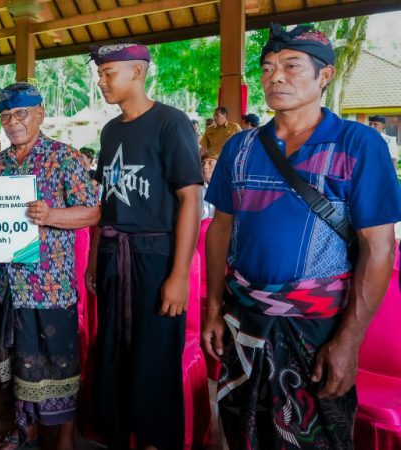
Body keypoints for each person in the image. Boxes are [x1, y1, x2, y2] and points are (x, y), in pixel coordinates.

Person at [202, 23, 401, 449]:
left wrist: (348, 341)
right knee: (242, 433)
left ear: (325, 75)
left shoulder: (358, 145)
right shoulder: (240, 148)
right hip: (245, 320)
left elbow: (380, 248)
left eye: (291, 66)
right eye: (268, 67)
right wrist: (214, 309)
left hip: (318, 331)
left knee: (315, 438)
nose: (275, 76)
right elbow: (220, 229)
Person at [86, 43, 203, 450]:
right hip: (112, 257)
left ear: (137, 72)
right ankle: (117, 437)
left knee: (154, 358)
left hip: (155, 259)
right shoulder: (110, 131)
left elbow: (191, 198)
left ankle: (156, 441)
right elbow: (107, 204)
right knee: (112, 354)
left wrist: (179, 275)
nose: (101, 82)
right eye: (99, 74)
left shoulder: (171, 122)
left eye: (108, 73)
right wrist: (94, 258)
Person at [0, 82, 100, 450]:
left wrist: (51, 216)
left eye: (21, 113)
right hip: (7, 283)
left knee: (58, 362)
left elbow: (92, 212)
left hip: (49, 284)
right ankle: (26, 430)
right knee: (17, 359)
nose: (13, 122)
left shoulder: (64, 157)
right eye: (5, 116)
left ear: (40, 114)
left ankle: (65, 438)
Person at [200, 155, 216, 220]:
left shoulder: (226, 189)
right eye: (203, 163)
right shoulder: (197, 188)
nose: (205, 167)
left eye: (210, 163)